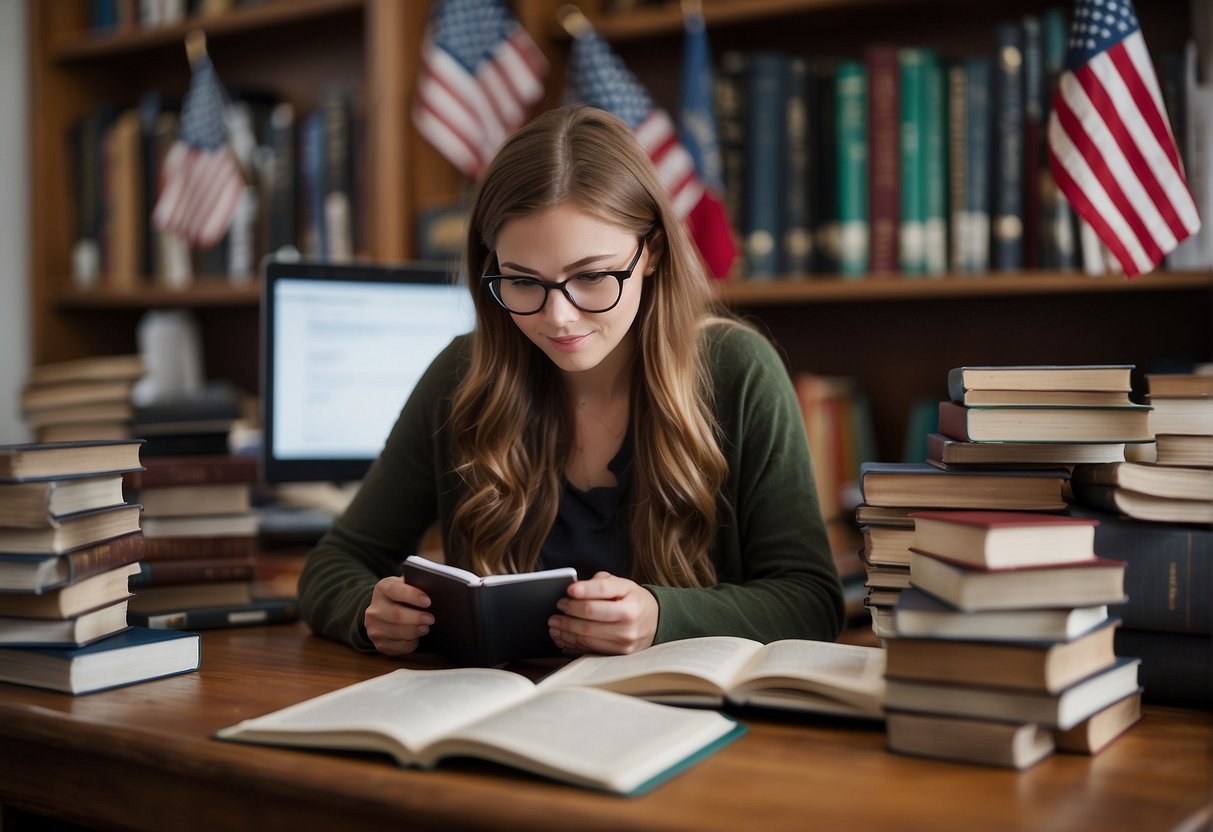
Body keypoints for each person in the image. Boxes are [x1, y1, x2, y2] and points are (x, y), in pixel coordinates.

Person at [298, 104, 844, 658]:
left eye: (591, 277)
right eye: (522, 281)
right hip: (495, 719)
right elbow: (334, 564)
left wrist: (663, 617)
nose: (559, 317)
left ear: (650, 252)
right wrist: (370, 611)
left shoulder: (738, 371)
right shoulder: (461, 377)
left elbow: (811, 601)